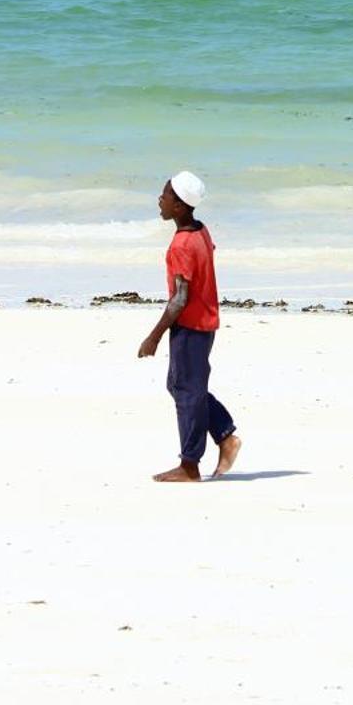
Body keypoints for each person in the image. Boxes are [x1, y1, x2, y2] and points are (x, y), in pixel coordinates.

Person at [137, 170, 242, 483]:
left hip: (191, 325)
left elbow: (179, 299)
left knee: (186, 392)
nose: (160, 199)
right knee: (184, 388)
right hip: (205, 322)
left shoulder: (182, 244)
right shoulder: (200, 231)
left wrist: (153, 337)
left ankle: (190, 464)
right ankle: (225, 436)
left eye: (166, 195)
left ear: (179, 206)